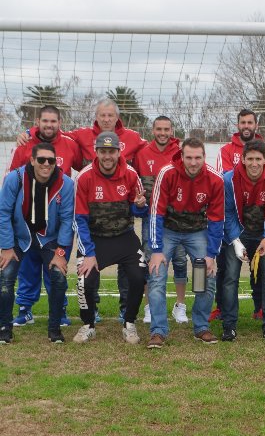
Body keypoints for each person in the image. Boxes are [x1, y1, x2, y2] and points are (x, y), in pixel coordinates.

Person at [17, 98, 147, 322]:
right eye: (102, 115)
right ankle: (84, 312)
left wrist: (139, 204)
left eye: (110, 115)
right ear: (96, 117)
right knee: (44, 262)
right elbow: (53, 129)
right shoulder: (80, 136)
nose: (106, 119)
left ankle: (127, 312)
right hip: (86, 221)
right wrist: (30, 130)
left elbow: (154, 147)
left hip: (121, 224)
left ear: (117, 118)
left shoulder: (134, 139)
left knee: (132, 272)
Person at [147, 138, 224, 348]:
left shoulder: (215, 180)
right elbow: (155, 213)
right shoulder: (167, 173)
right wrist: (156, 250)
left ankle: (201, 326)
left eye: (198, 157)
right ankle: (158, 331)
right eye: (189, 157)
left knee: (206, 276)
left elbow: (217, 219)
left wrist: (211, 254)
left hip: (197, 232)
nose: (193, 162)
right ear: (181, 157)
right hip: (168, 231)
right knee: (156, 275)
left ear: (203, 158)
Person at [9, 105, 82, 328]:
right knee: (28, 270)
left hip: (56, 224)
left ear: (59, 123)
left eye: (53, 121)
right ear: (37, 122)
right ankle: (25, 310)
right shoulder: (24, 145)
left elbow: (86, 166)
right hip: (27, 221)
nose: (49, 125)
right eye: (45, 121)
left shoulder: (70, 145)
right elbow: (12, 177)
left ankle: (59, 311)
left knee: (55, 267)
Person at [73, 132, 148, 344]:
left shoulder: (131, 174)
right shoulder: (85, 176)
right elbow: (79, 219)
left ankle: (130, 323)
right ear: (96, 152)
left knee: (138, 277)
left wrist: (141, 206)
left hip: (124, 237)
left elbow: (139, 210)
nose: (107, 156)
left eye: (111, 151)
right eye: (103, 151)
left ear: (119, 152)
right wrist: (88, 253)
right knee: (84, 281)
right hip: (95, 239)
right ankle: (88, 325)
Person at [0, 143, 74, 344]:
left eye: (51, 160)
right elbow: (3, 212)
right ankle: (4, 328)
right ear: (32, 161)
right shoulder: (15, 179)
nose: (46, 164)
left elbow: (68, 220)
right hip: (19, 237)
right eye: (41, 159)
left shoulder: (66, 184)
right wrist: (6, 247)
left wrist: (60, 252)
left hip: (48, 239)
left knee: (58, 276)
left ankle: (55, 329)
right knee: (5, 276)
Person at [222, 139, 265, 343]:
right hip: (239, 235)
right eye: (249, 158)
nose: (253, 163)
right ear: (242, 159)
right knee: (231, 277)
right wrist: (235, 240)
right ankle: (229, 325)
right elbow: (228, 212)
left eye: (258, 159)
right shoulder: (229, 179)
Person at [211, 109, 265, 321]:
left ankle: (261, 308)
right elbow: (228, 179)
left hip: (259, 222)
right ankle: (221, 308)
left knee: (260, 270)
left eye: (250, 123)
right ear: (237, 125)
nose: (246, 126)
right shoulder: (226, 150)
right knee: (226, 269)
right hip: (232, 223)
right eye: (243, 122)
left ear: (256, 125)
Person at [133, 116, 188, 324]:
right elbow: (136, 187)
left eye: (166, 129)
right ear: (153, 130)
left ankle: (179, 306)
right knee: (150, 259)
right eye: (159, 129)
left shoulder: (180, 152)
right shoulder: (142, 154)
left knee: (181, 260)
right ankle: (150, 307)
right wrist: (138, 202)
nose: (163, 133)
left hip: (177, 219)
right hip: (151, 218)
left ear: (171, 130)